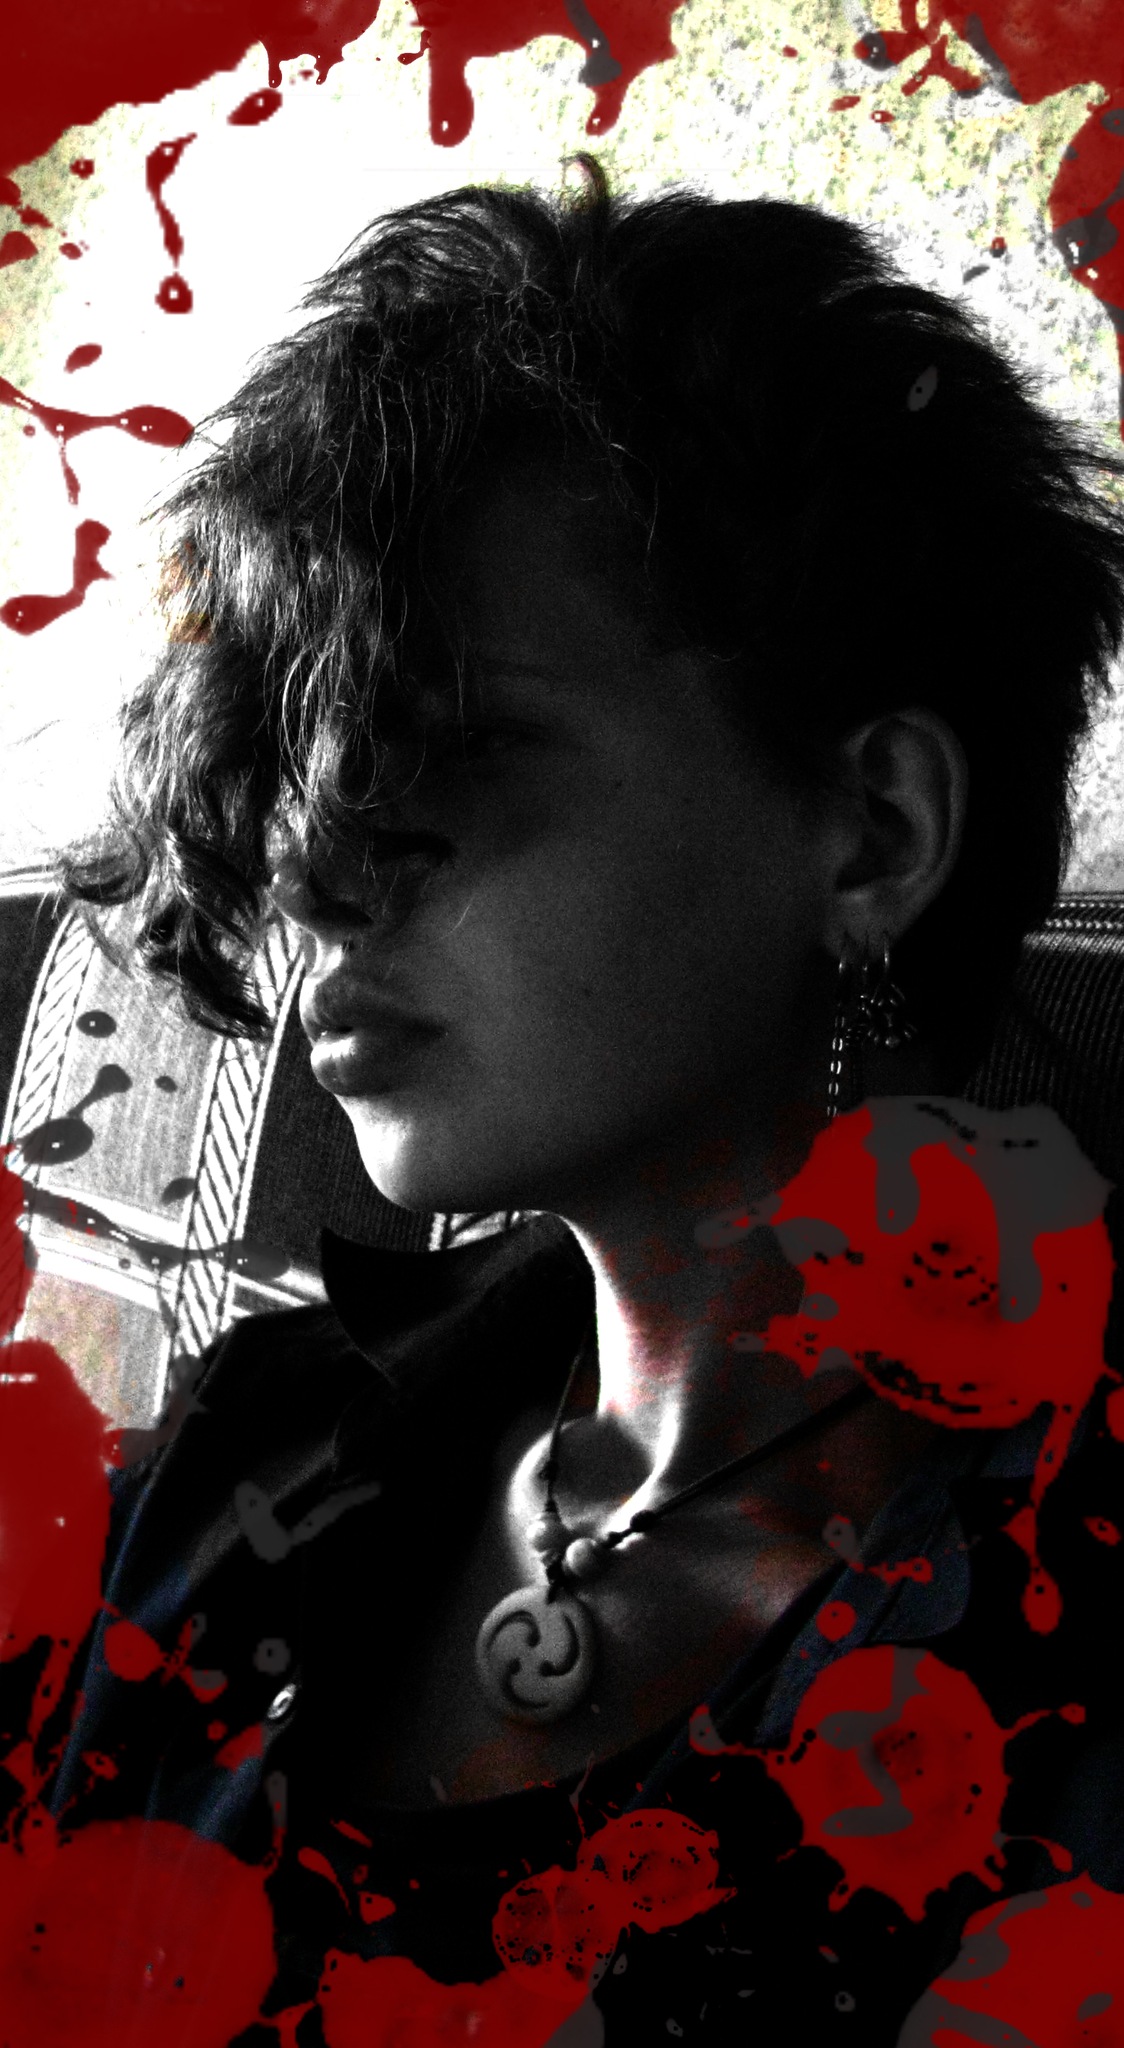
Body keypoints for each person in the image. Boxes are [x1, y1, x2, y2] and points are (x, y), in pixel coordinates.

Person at [32, 159, 1124, 2042]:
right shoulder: (255, 1454)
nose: (316, 881)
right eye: (303, 772)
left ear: (875, 830)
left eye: (456, 750)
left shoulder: (1066, 1614)